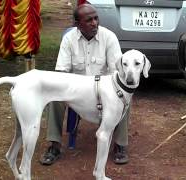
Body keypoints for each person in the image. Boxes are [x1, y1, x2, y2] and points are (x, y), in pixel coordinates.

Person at [40, 4, 129, 165]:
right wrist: (66, 90)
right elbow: (62, 72)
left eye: (96, 18)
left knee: (123, 97)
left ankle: (120, 145)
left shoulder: (109, 37)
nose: (94, 23)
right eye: (89, 20)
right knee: (55, 96)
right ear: (77, 24)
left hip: (104, 89)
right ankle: (54, 145)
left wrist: (110, 92)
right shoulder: (69, 39)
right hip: (77, 89)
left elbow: (118, 73)